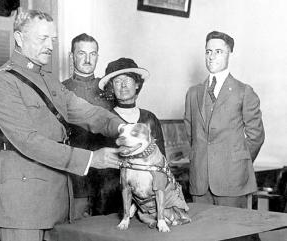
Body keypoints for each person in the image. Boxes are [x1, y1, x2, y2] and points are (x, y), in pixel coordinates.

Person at [0, 9, 126, 241]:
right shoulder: (1, 81)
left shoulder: (49, 80)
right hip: (22, 202)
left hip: (57, 195)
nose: (50, 45)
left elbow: (86, 111)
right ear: (19, 38)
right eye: (42, 38)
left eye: (53, 39)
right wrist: (91, 159)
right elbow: (29, 142)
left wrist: (123, 128)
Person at [184, 30, 265, 208]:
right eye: (208, 51)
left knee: (233, 234)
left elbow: (256, 136)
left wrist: (237, 162)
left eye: (218, 51)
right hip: (200, 183)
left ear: (229, 54)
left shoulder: (244, 91)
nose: (211, 57)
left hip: (233, 182)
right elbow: (191, 134)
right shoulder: (193, 93)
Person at [62, 33, 115, 217]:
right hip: (76, 175)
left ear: (98, 57)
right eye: (81, 53)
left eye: (92, 54)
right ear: (71, 56)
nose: (87, 59)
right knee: (75, 227)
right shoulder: (60, 90)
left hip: (107, 176)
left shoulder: (110, 90)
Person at [99, 57, 166, 157]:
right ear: (112, 88)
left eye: (127, 80)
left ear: (137, 84)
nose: (123, 85)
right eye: (117, 81)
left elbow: (161, 160)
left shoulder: (150, 118)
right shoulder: (105, 119)